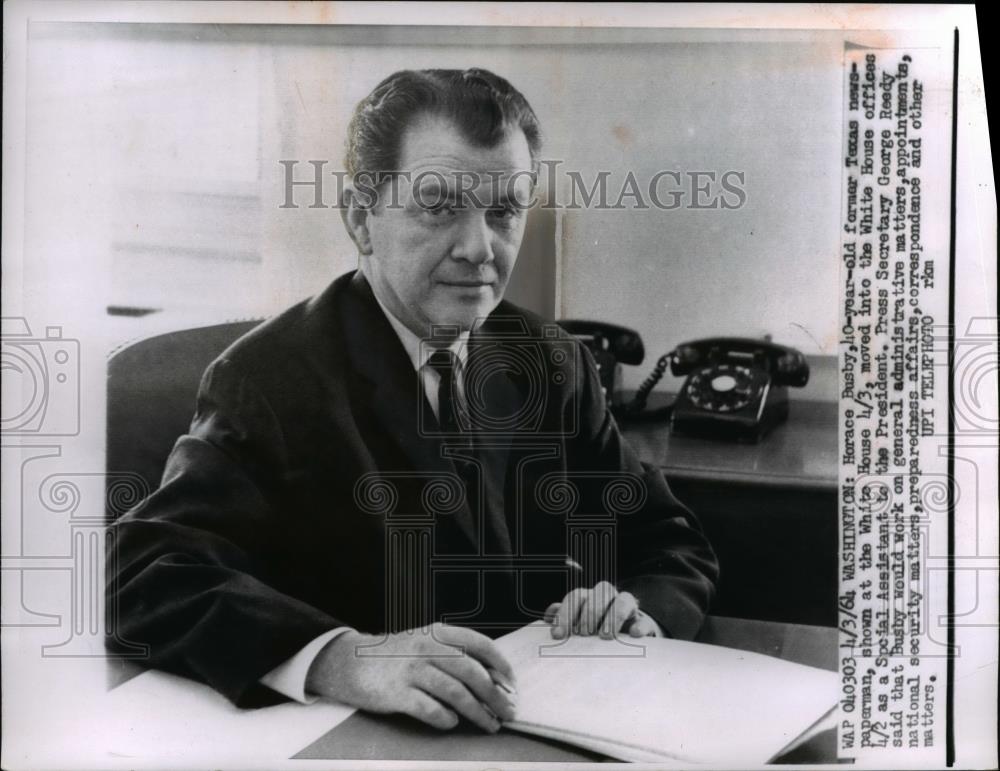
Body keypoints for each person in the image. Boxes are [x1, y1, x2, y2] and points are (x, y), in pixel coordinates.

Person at [107, 68, 718, 735]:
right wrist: (344, 656)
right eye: (439, 206)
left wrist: (637, 611)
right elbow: (143, 574)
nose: (480, 248)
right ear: (361, 217)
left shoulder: (550, 358)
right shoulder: (269, 380)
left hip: (538, 726)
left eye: (504, 210)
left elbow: (668, 537)